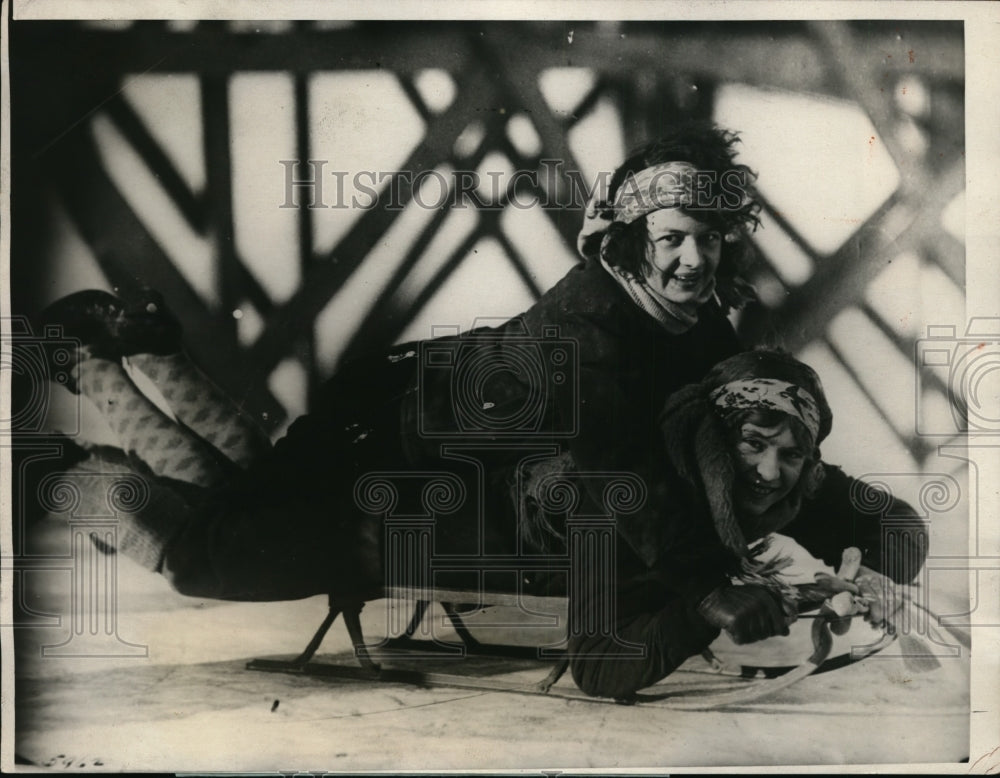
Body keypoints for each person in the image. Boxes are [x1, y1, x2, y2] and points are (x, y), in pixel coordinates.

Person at [31, 121, 762, 600]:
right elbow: (615, 462)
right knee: (206, 556)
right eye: (671, 240)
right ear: (630, 241)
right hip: (376, 441)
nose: (694, 260)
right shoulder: (592, 325)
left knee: (248, 495)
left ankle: (150, 358)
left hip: (405, 445)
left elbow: (755, 408)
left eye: (709, 237)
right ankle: (69, 450)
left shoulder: (687, 323)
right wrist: (707, 583)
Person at [515, 349, 926, 699]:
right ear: (713, 438)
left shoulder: (794, 473)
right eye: (753, 443)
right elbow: (597, 666)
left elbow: (899, 522)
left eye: (791, 454)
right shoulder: (631, 494)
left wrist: (876, 571)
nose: (769, 472)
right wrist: (704, 610)